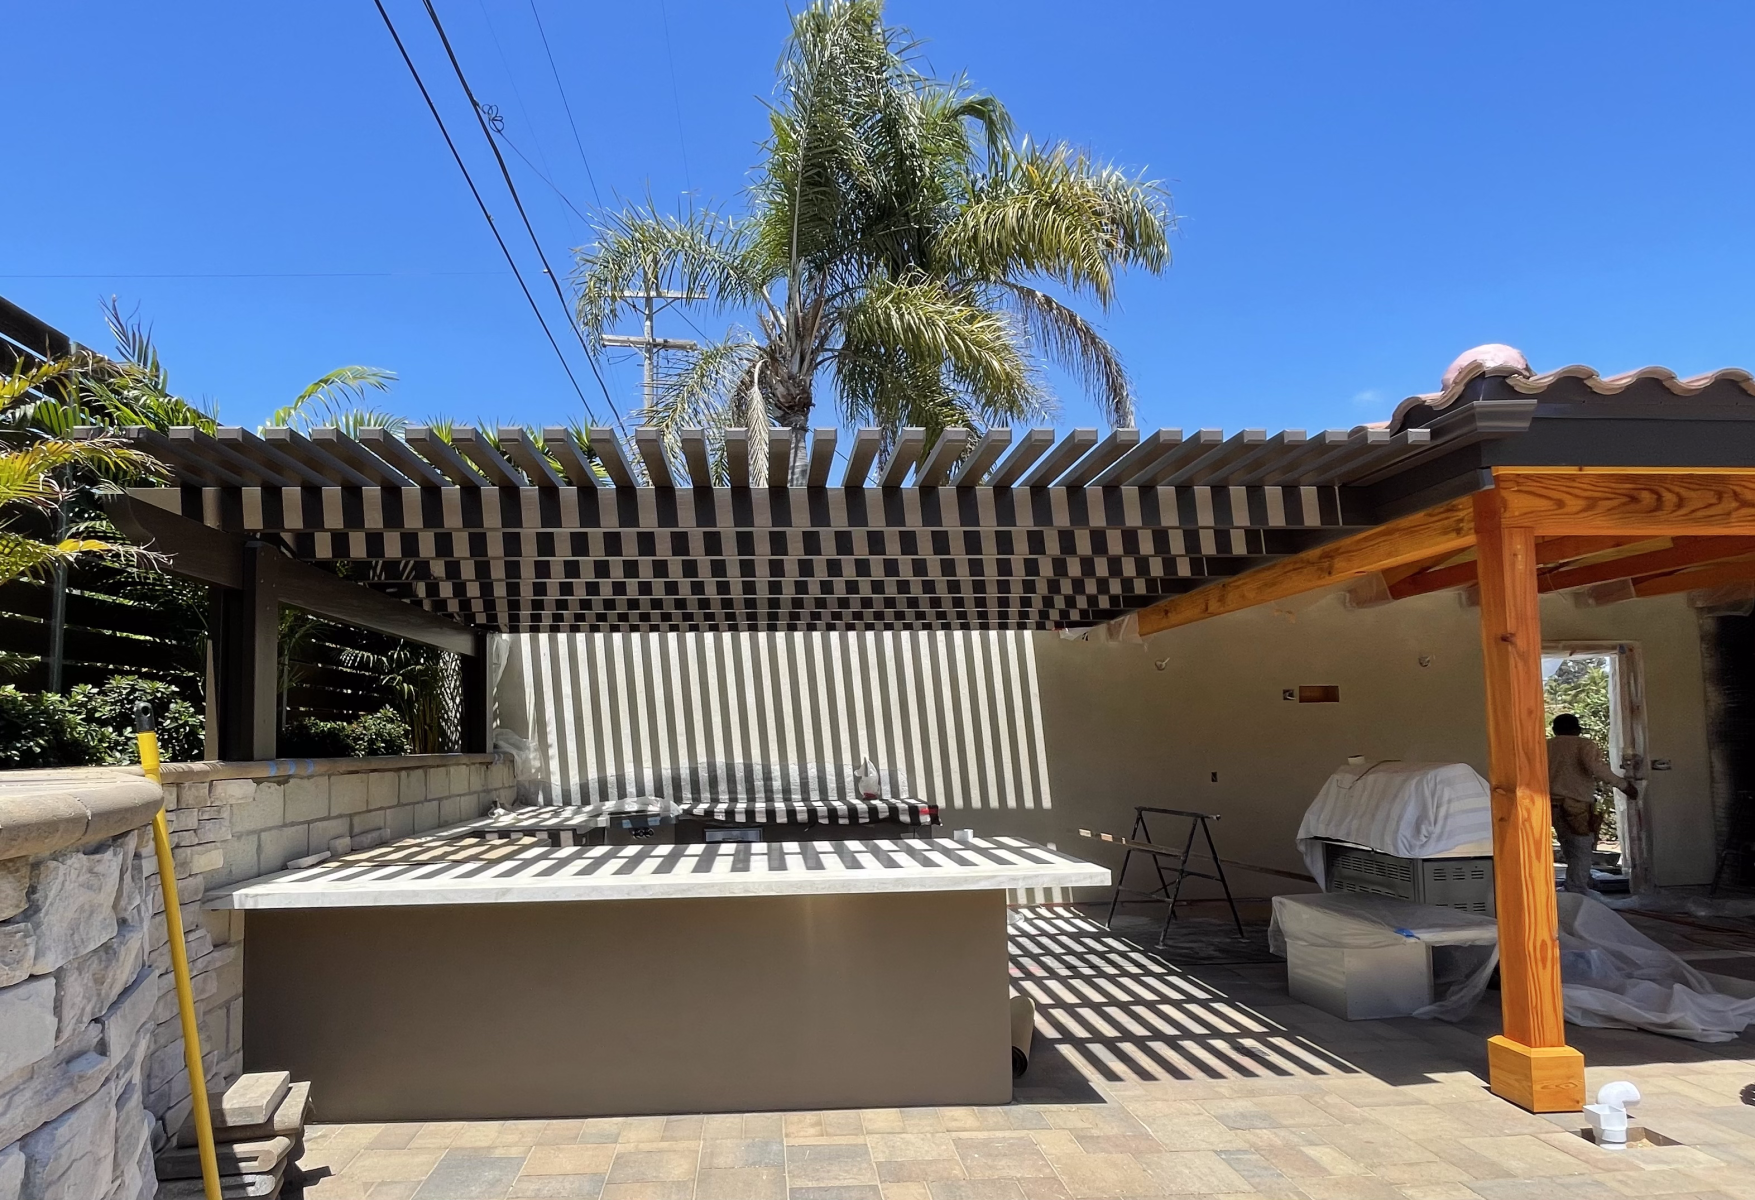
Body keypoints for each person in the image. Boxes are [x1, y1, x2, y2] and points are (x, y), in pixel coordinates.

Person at [1546, 713, 1637, 895]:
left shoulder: (1544, 746)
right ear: (1577, 729)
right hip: (1576, 804)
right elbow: (1596, 768)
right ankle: (1578, 890)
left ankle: (1576, 886)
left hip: (1549, 803)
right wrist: (1624, 785)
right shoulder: (1583, 745)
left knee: (1568, 845)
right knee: (1581, 848)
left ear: (1555, 730)